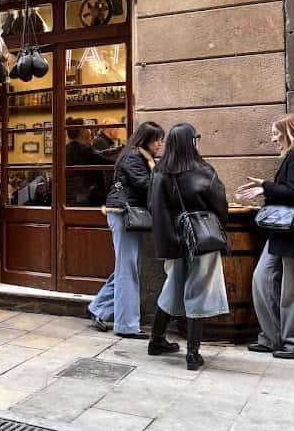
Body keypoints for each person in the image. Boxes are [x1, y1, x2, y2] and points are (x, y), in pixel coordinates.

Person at [237, 114, 294, 359]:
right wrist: (265, 184)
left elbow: (293, 194)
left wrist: (264, 187)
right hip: (285, 232)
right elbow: (290, 189)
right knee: (263, 278)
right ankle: (272, 337)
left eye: (275, 133)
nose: (273, 139)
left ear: (289, 131)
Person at [148, 123, 229, 370]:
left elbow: (154, 207)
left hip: (172, 240)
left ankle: (156, 340)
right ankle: (193, 354)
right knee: (200, 291)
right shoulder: (204, 171)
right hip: (201, 238)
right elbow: (220, 206)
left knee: (172, 288)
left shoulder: (160, 172)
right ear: (192, 142)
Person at [89, 122, 165, 338]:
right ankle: (126, 325)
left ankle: (98, 308)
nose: (160, 143)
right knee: (128, 269)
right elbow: (146, 185)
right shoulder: (134, 157)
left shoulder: (142, 157)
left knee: (126, 267)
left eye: (161, 139)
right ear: (145, 139)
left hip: (125, 213)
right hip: (122, 213)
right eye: (156, 139)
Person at [65, 117, 110, 206]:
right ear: (82, 132)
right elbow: (106, 161)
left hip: (68, 199)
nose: (90, 131)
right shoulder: (85, 151)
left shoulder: (65, 149)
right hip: (86, 200)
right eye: (88, 128)